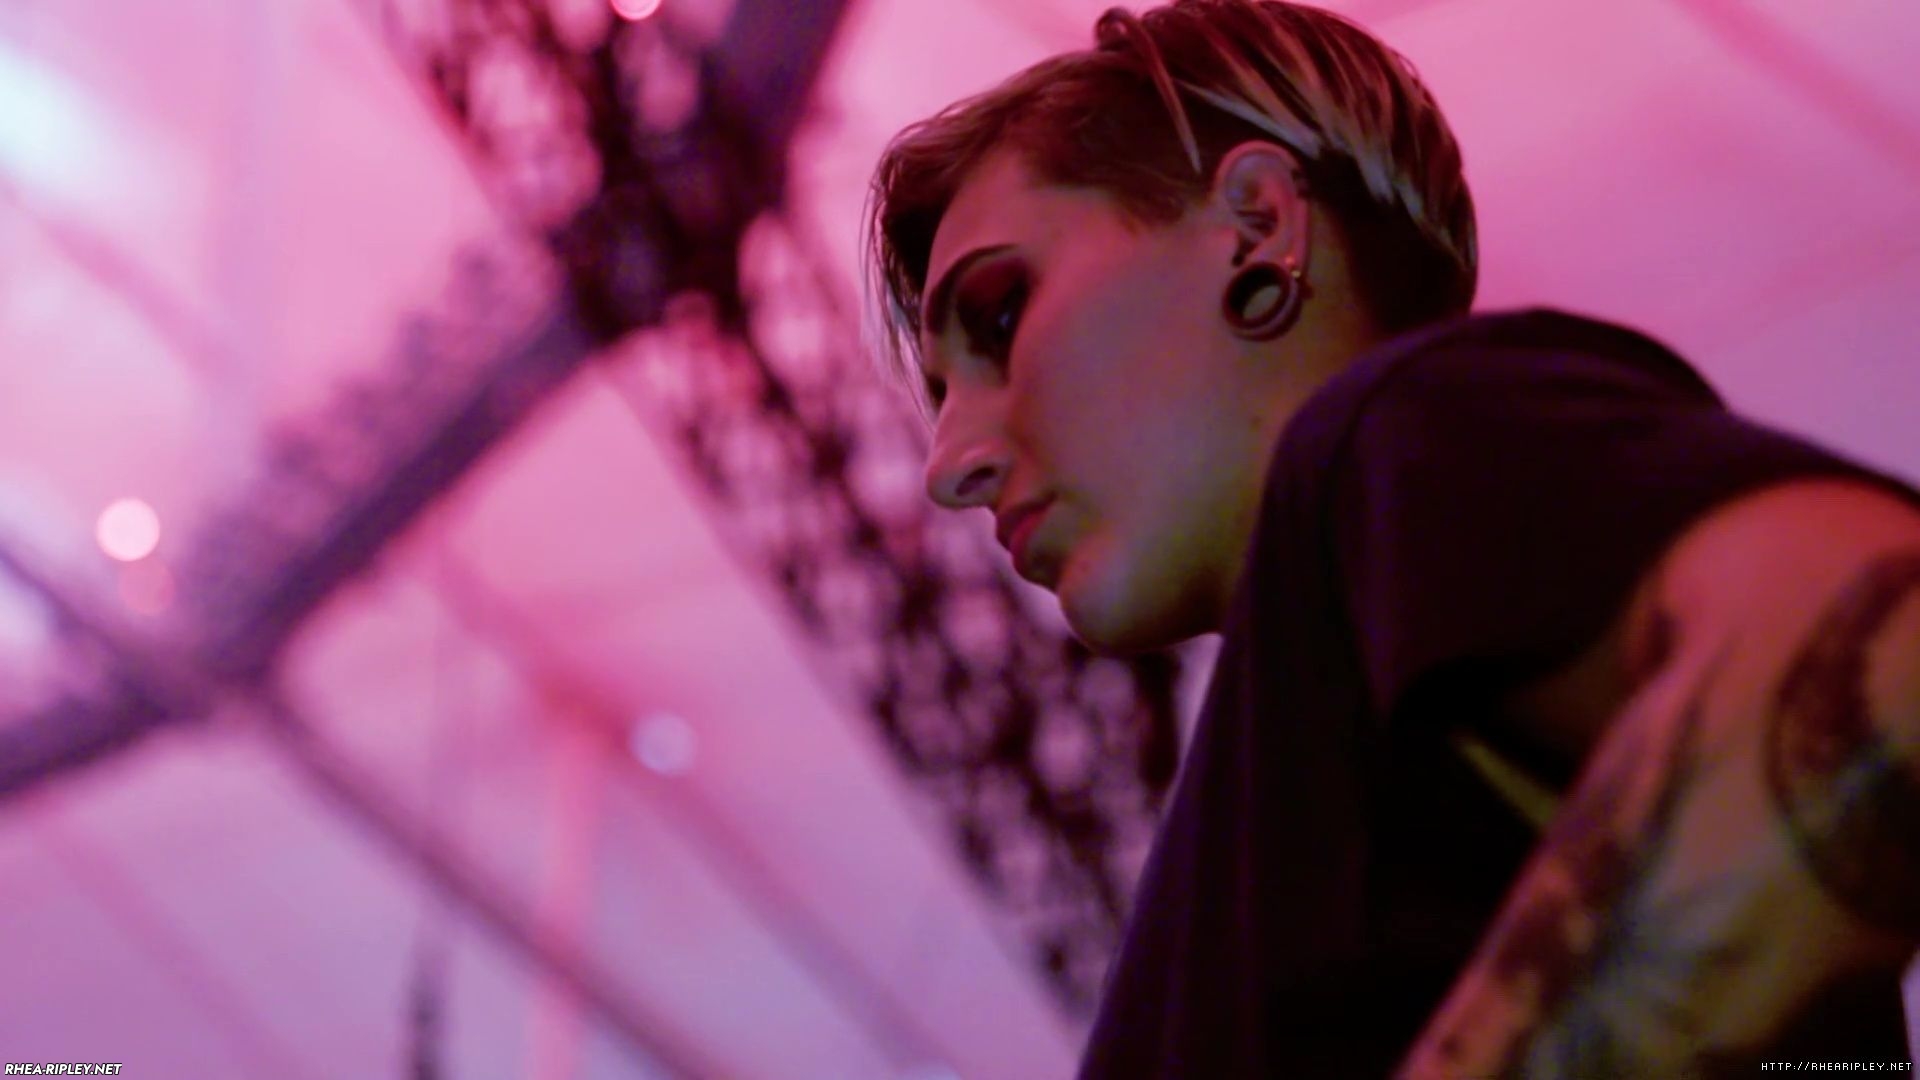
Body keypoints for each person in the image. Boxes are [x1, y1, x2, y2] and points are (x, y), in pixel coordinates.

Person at [862, 1, 1920, 1075]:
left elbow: (1886, 648)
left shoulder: (1395, 424)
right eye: (941, 397)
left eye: (1000, 316)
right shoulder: (1288, 776)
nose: (950, 464)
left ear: (1258, 225)